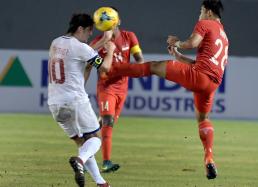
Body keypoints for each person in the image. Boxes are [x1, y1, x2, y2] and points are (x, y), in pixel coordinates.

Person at [107, 0, 228, 179]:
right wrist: (179, 57)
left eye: (201, 11)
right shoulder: (223, 35)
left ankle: (112, 69)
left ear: (209, 12)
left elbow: (192, 42)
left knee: (154, 66)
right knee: (203, 119)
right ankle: (209, 156)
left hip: (199, 76)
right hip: (212, 83)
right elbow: (201, 63)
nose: (199, 15)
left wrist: (177, 43)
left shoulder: (205, 23)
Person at [47, 13, 115, 187]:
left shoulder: (56, 42)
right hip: (75, 100)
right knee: (96, 138)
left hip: (55, 103)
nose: (90, 35)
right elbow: (106, 67)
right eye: (88, 31)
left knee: (82, 143)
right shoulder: (82, 48)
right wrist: (111, 50)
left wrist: (102, 41)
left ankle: (101, 183)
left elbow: (83, 51)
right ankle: (79, 160)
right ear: (80, 29)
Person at [88, 7, 144, 173]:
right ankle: (106, 162)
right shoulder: (98, 43)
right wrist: (103, 46)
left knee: (102, 126)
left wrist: (132, 69)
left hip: (122, 88)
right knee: (108, 122)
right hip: (106, 87)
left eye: (112, 19)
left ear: (118, 21)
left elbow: (140, 60)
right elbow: (92, 60)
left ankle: (85, 155)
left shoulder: (129, 37)